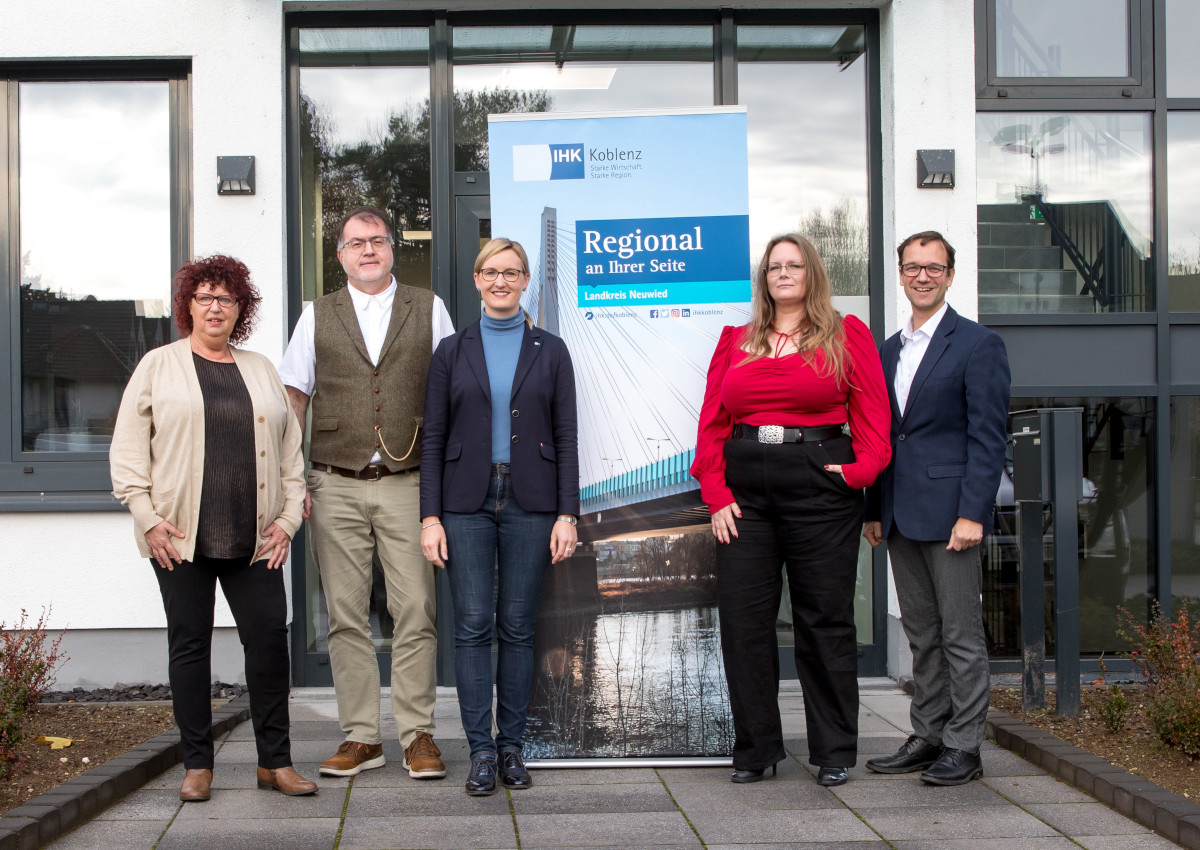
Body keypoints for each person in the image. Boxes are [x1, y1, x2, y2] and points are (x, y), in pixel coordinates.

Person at [110, 255, 317, 802]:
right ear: (188, 306)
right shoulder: (158, 365)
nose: (215, 306)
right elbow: (128, 454)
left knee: (271, 643)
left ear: (240, 308)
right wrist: (148, 521)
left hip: (255, 541)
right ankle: (198, 764)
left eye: (225, 298)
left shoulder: (260, 368)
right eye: (204, 297)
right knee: (190, 646)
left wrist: (289, 520)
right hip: (179, 539)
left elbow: (292, 456)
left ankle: (275, 762)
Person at [691, 233, 891, 787]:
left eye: (793, 264)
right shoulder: (735, 340)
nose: (783, 273)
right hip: (745, 492)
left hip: (818, 483)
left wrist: (859, 473)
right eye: (774, 266)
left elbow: (873, 417)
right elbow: (712, 425)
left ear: (812, 273)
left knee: (823, 618)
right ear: (764, 278)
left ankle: (833, 750)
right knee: (743, 623)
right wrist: (717, 492)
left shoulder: (846, 335)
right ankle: (757, 748)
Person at [279, 206, 455, 780]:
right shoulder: (316, 315)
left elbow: (455, 394)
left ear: (392, 248)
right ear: (341, 255)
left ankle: (417, 735)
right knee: (346, 615)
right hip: (334, 481)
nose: (368, 251)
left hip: (409, 483)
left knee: (416, 610)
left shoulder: (428, 307)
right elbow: (293, 402)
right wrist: (291, 480)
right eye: (356, 243)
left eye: (377, 240)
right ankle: (360, 737)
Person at [420, 238, 579, 796]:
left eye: (512, 272)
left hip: (531, 501)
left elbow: (565, 435)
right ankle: (480, 751)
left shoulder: (552, 350)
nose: (501, 281)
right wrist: (429, 517)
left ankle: (511, 747)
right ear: (476, 278)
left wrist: (567, 513)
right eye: (491, 271)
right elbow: (434, 438)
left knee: (517, 628)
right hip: (465, 502)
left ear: (527, 279)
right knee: (471, 626)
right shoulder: (451, 349)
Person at [864, 231, 1010, 786]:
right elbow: (882, 436)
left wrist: (974, 512)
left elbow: (988, 438)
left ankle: (965, 747)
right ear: (900, 275)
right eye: (912, 267)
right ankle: (928, 734)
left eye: (933, 267)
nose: (922, 276)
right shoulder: (888, 349)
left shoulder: (978, 344)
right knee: (922, 635)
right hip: (900, 515)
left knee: (961, 636)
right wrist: (873, 509)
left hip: (953, 517)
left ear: (950, 274)